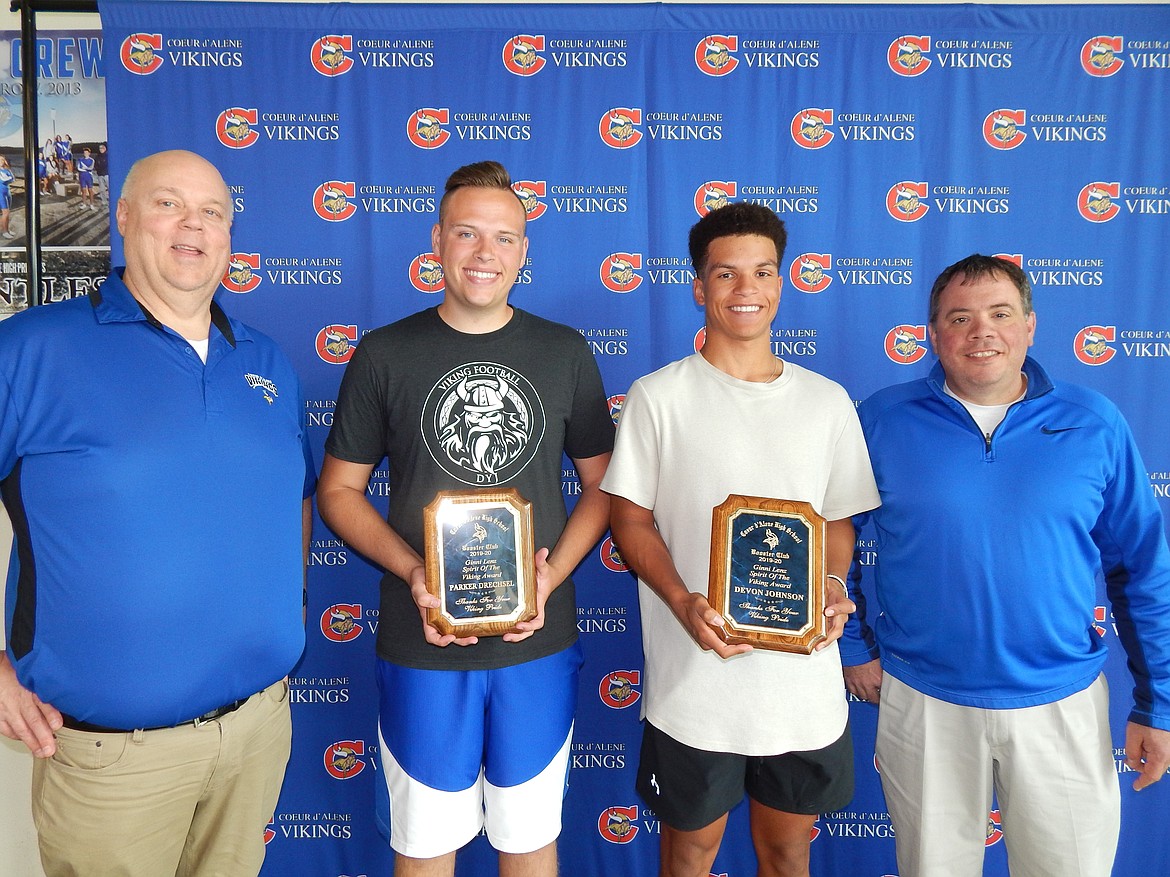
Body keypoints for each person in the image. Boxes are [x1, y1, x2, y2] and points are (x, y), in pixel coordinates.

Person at [0, 149, 315, 877]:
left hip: (256, 734)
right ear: (124, 216)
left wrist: (287, 609)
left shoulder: (266, 364)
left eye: (212, 211)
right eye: (168, 203)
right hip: (116, 759)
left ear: (230, 237)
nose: (192, 226)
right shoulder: (32, 350)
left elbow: (293, 495)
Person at [317, 160, 614, 877]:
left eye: (505, 238)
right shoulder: (385, 352)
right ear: (437, 241)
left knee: (529, 840)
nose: (486, 253)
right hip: (422, 645)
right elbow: (338, 492)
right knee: (423, 845)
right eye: (468, 234)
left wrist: (548, 580)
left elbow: (605, 490)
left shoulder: (564, 350)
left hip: (535, 644)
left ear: (524, 252)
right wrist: (416, 569)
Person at [841, 254, 1170, 877]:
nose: (980, 331)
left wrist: (1159, 705)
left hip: (1061, 702)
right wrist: (853, 648)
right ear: (933, 335)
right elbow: (835, 538)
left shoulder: (1093, 423)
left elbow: (1142, 569)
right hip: (924, 696)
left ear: (1030, 326)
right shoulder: (881, 419)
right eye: (959, 318)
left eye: (999, 314)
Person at [601, 202, 880, 877]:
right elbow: (629, 522)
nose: (746, 289)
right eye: (726, 274)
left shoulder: (828, 402)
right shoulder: (657, 397)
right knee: (689, 852)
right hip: (696, 684)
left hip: (801, 685)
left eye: (762, 272)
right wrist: (680, 598)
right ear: (699, 287)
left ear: (782, 282)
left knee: (787, 852)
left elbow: (838, 521)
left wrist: (835, 584)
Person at [0, 155, 16, 239]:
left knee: (7, 212)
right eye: (0, 160)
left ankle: (7, 229)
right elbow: (3, 180)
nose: (2, 161)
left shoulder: (6, 170)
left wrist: (9, 178)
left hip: (7, 191)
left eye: (3, 159)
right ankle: (4, 231)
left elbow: (13, 179)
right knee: (5, 213)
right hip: (1, 192)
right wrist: (8, 178)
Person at [94, 142, 110, 207]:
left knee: (109, 188)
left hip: (107, 174)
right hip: (100, 174)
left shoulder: (108, 156)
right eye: (100, 148)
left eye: (102, 148)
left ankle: (111, 200)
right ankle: (104, 201)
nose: (101, 149)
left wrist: (104, 169)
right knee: (102, 189)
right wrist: (98, 170)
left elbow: (108, 165)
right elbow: (95, 165)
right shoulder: (97, 156)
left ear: (105, 148)